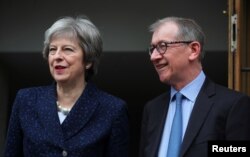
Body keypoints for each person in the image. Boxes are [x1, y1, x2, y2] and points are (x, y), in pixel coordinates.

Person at [4, 15, 129, 157]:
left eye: (67, 49)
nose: (57, 56)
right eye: (52, 50)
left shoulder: (112, 109)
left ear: (88, 61)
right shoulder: (26, 100)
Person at [139, 16, 250, 157]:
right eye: (152, 48)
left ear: (193, 50)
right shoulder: (153, 109)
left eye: (162, 46)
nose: (153, 57)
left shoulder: (232, 105)